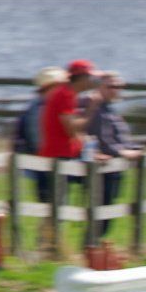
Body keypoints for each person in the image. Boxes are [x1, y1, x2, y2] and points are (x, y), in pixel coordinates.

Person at [82, 71, 143, 237]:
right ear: (99, 87)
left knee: (108, 210)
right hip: (103, 167)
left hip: (113, 167)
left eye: (118, 87)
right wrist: (124, 152)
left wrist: (135, 149)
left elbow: (119, 137)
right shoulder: (96, 109)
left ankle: (96, 247)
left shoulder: (108, 109)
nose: (116, 90)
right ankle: (92, 247)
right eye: (111, 86)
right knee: (102, 210)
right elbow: (102, 139)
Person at [37, 60, 97, 214]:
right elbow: (70, 129)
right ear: (82, 78)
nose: (93, 81)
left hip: (62, 155)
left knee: (59, 207)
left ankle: (51, 237)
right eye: (90, 77)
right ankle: (49, 238)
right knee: (57, 208)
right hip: (58, 157)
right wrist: (91, 109)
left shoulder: (67, 94)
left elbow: (73, 130)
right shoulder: (65, 95)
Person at [14, 67, 66, 202]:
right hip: (45, 164)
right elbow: (37, 138)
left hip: (52, 162)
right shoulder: (38, 108)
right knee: (51, 205)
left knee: (57, 206)